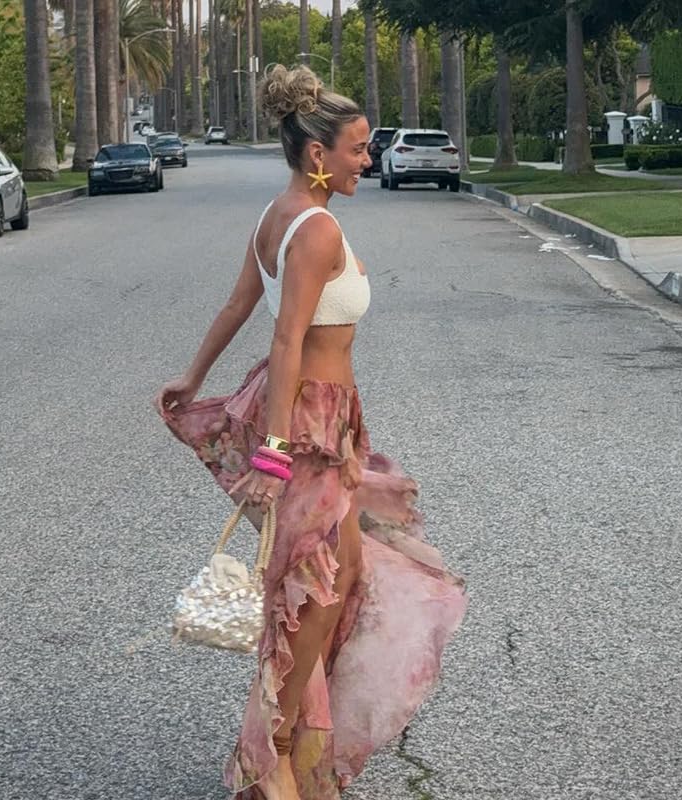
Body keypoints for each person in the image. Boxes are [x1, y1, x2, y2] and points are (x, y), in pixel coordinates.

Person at [155, 65, 467, 800]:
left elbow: (237, 305)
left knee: (344, 575)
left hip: (330, 417)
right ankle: (272, 758)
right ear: (318, 154)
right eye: (358, 148)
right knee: (311, 592)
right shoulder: (317, 227)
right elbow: (287, 336)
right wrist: (271, 449)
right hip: (306, 422)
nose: (369, 157)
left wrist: (194, 377)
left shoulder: (281, 213)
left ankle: (303, 743)